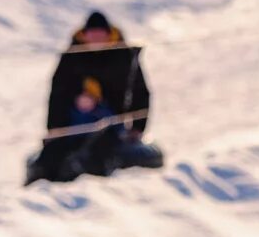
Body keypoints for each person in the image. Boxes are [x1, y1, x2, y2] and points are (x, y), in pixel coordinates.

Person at [25, 11, 162, 184]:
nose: (96, 38)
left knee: (101, 150)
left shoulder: (124, 55)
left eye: (100, 34)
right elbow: (58, 94)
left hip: (111, 123)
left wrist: (137, 127)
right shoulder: (71, 56)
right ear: (85, 35)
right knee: (54, 154)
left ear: (107, 34)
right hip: (74, 122)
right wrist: (54, 128)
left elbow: (139, 91)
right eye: (92, 34)